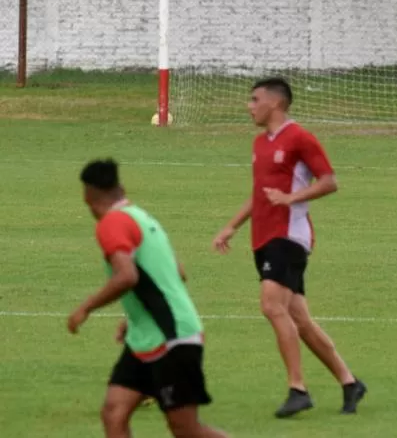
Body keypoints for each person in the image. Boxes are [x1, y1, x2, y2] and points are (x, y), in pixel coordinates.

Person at [211, 77, 366, 418]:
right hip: (263, 238)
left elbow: (329, 182)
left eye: (255, 100)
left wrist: (291, 198)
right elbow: (259, 195)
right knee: (301, 320)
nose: (248, 106)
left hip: (291, 236)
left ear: (275, 103)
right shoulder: (259, 144)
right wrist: (231, 227)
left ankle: (298, 389)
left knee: (271, 306)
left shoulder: (300, 138)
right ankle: (349, 381)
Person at [68, 159, 228, 438]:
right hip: (147, 336)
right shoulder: (141, 217)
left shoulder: (111, 223)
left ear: (87, 195)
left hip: (172, 338)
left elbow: (126, 276)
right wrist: (136, 318)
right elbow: (177, 272)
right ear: (121, 188)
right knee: (114, 413)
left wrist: (86, 307)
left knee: (186, 429)